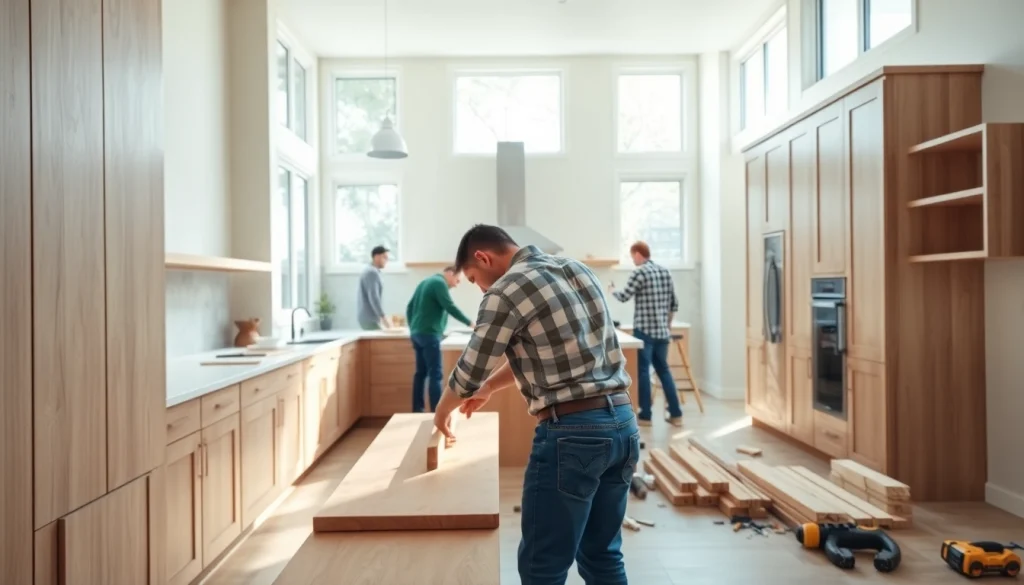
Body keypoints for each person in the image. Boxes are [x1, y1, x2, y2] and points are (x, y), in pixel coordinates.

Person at [433, 224, 638, 585]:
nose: (480, 287)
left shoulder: (505, 291)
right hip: (623, 425)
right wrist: (491, 389)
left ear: (483, 258)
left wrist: (442, 410)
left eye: (474, 278)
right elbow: (545, 351)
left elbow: (469, 369)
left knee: (542, 565)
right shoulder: (576, 270)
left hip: (573, 434)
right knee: (603, 556)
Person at [608, 241, 684, 428]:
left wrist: (612, 291)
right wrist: (667, 326)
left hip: (644, 331)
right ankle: (676, 414)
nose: (633, 260)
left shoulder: (639, 272)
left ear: (638, 254)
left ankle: (645, 416)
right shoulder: (665, 272)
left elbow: (624, 296)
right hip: (662, 332)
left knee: (643, 372)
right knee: (663, 370)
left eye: (632, 255)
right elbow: (674, 304)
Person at [406, 266, 473, 412]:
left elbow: (409, 307)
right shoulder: (439, 283)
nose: (457, 284)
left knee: (420, 373)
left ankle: (418, 410)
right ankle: (437, 413)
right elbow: (450, 306)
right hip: (429, 334)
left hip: (418, 334)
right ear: (450, 273)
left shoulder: (425, 282)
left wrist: (413, 329)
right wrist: (471, 323)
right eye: (457, 280)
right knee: (435, 374)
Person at [356, 245, 391, 330]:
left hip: (368, 318)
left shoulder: (370, 271)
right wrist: (383, 317)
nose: (386, 260)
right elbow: (374, 297)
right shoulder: (372, 273)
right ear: (376, 257)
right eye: (384, 257)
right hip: (370, 319)